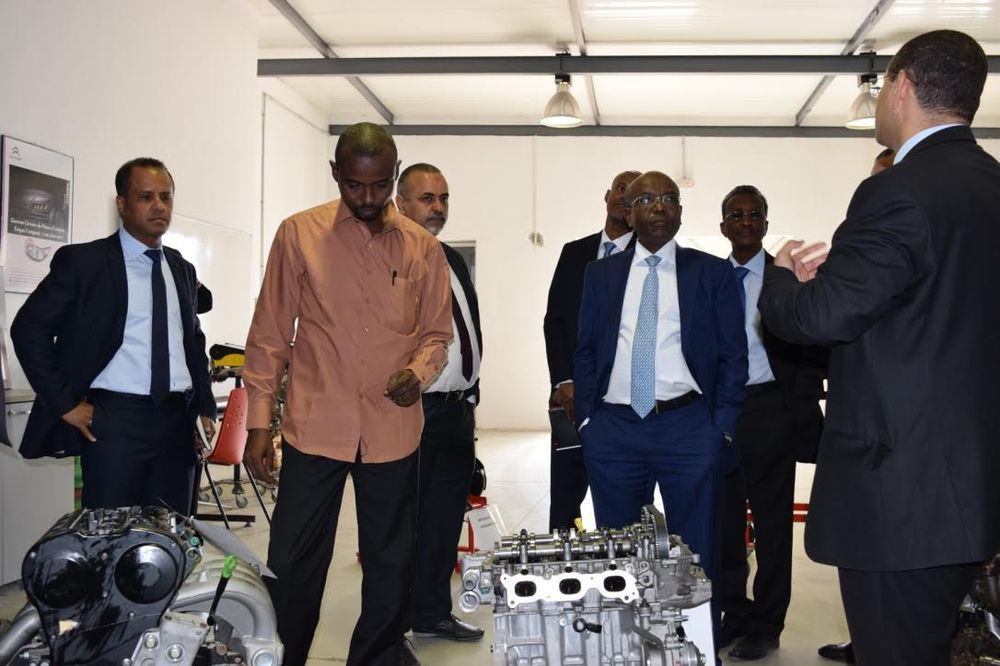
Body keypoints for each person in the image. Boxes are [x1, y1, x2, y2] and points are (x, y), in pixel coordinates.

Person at [759, 30, 1000, 666]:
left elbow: (820, 319)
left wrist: (780, 280)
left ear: (903, 85)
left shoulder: (897, 190)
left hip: (902, 500)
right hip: (971, 489)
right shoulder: (989, 184)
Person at [242, 123, 452, 666]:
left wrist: (418, 372)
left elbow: (437, 335)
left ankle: (377, 657)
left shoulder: (424, 248)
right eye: (355, 185)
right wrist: (258, 424)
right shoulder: (298, 234)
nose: (367, 198)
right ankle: (281, 655)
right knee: (292, 560)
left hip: (391, 429)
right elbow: (269, 334)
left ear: (394, 175)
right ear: (335, 173)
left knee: (391, 560)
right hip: (316, 426)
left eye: (380, 185)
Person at [573, 170, 748, 589]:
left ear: (680, 213)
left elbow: (733, 355)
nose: (659, 207)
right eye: (647, 200)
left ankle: (699, 633)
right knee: (619, 556)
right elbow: (586, 350)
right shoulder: (600, 274)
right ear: (628, 213)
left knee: (696, 557)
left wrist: (721, 427)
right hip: (614, 430)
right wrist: (588, 421)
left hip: (687, 428)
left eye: (669, 199)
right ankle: (628, 631)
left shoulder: (711, 273)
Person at [11, 157, 216, 513]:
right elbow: (29, 329)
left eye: (166, 196)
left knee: (171, 534)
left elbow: (192, 343)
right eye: (146, 197)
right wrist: (65, 404)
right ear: (122, 204)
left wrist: (205, 406)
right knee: (111, 535)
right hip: (115, 421)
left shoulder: (182, 269)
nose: (159, 206)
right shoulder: (85, 262)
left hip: (177, 425)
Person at [716, 185, 826, 660]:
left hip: (770, 409)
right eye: (736, 215)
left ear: (766, 223)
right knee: (724, 524)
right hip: (721, 412)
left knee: (773, 524)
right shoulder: (710, 278)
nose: (745, 221)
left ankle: (767, 625)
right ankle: (734, 615)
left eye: (753, 214)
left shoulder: (786, 278)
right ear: (723, 226)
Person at [395, 163, 484, 642]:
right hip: (411, 411)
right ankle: (391, 621)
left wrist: (470, 394)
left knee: (444, 520)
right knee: (400, 524)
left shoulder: (450, 257)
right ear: (400, 203)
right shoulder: (389, 257)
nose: (438, 208)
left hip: (456, 410)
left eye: (443, 198)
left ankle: (431, 613)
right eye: (427, 198)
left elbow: (467, 329)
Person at [816, 147, 895, 666]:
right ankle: (867, 641)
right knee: (863, 552)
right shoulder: (864, 248)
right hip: (865, 428)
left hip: (903, 430)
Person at [543, 169, 639, 531]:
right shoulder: (574, 253)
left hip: (623, 404)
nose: (624, 195)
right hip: (570, 399)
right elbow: (555, 320)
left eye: (634, 193)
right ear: (607, 195)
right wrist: (564, 381)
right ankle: (564, 563)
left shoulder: (647, 258)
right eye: (620, 188)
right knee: (565, 500)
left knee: (621, 499)